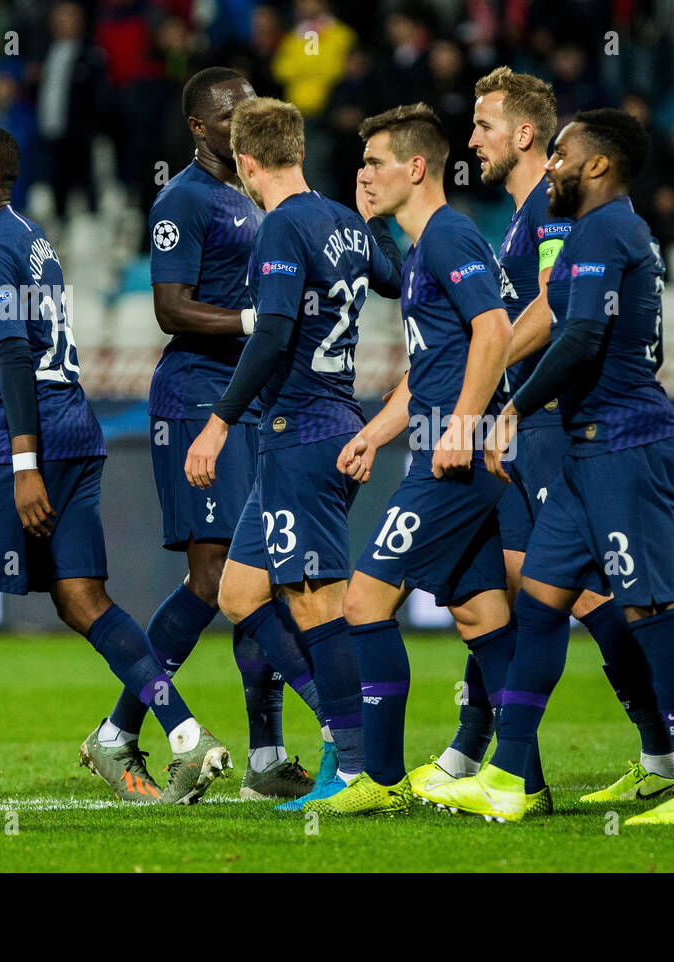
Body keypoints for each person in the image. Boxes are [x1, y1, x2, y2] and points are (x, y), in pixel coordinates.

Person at [0, 124, 231, 808]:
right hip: (74, 432)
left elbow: (17, 362)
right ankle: (185, 736)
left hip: (12, 443)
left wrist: (24, 464)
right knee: (83, 600)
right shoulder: (30, 240)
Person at [423, 109, 674, 826]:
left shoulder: (606, 229)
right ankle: (508, 777)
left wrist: (509, 408)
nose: (553, 167)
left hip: (625, 441)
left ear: (597, 166)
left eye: (562, 155)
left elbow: (583, 336)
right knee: (539, 605)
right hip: (586, 446)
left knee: (652, 610)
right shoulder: (592, 236)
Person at [82, 67, 312, 805]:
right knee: (219, 581)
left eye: (252, 106)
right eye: (231, 112)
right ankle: (133, 735)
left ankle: (258, 752)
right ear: (201, 128)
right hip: (194, 402)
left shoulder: (253, 196)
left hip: (249, 402)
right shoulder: (182, 200)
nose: (245, 118)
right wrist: (257, 324)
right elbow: (171, 310)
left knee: (252, 577)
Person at [183, 96, 403, 811]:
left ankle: (355, 761)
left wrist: (217, 423)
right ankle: (343, 728)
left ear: (246, 164)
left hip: (303, 431)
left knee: (314, 605)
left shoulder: (279, 225)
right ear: (297, 150)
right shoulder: (343, 219)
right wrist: (379, 218)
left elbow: (272, 333)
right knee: (240, 592)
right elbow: (401, 278)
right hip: (326, 420)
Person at [311, 103, 518, 817]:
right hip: (446, 445)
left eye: (374, 162)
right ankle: (525, 776)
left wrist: (462, 426)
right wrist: (377, 430)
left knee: (363, 600)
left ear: (417, 167)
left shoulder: (448, 237)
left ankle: (383, 777)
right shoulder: (421, 246)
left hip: (454, 459)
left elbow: (495, 330)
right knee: (480, 615)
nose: (362, 174)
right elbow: (430, 367)